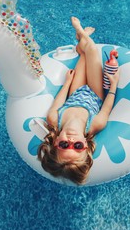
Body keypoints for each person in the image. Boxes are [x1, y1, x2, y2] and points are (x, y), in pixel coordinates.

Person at [37, 17, 120, 185]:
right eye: (77, 147)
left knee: (84, 54)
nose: (72, 140)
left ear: (55, 143)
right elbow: (106, 107)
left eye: (64, 145)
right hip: (96, 92)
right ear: (86, 146)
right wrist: (114, 84)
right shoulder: (95, 125)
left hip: (76, 91)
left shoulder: (54, 120)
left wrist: (67, 83)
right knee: (92, 50)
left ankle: (82, 40)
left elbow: (59, 101)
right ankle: (81, 33)